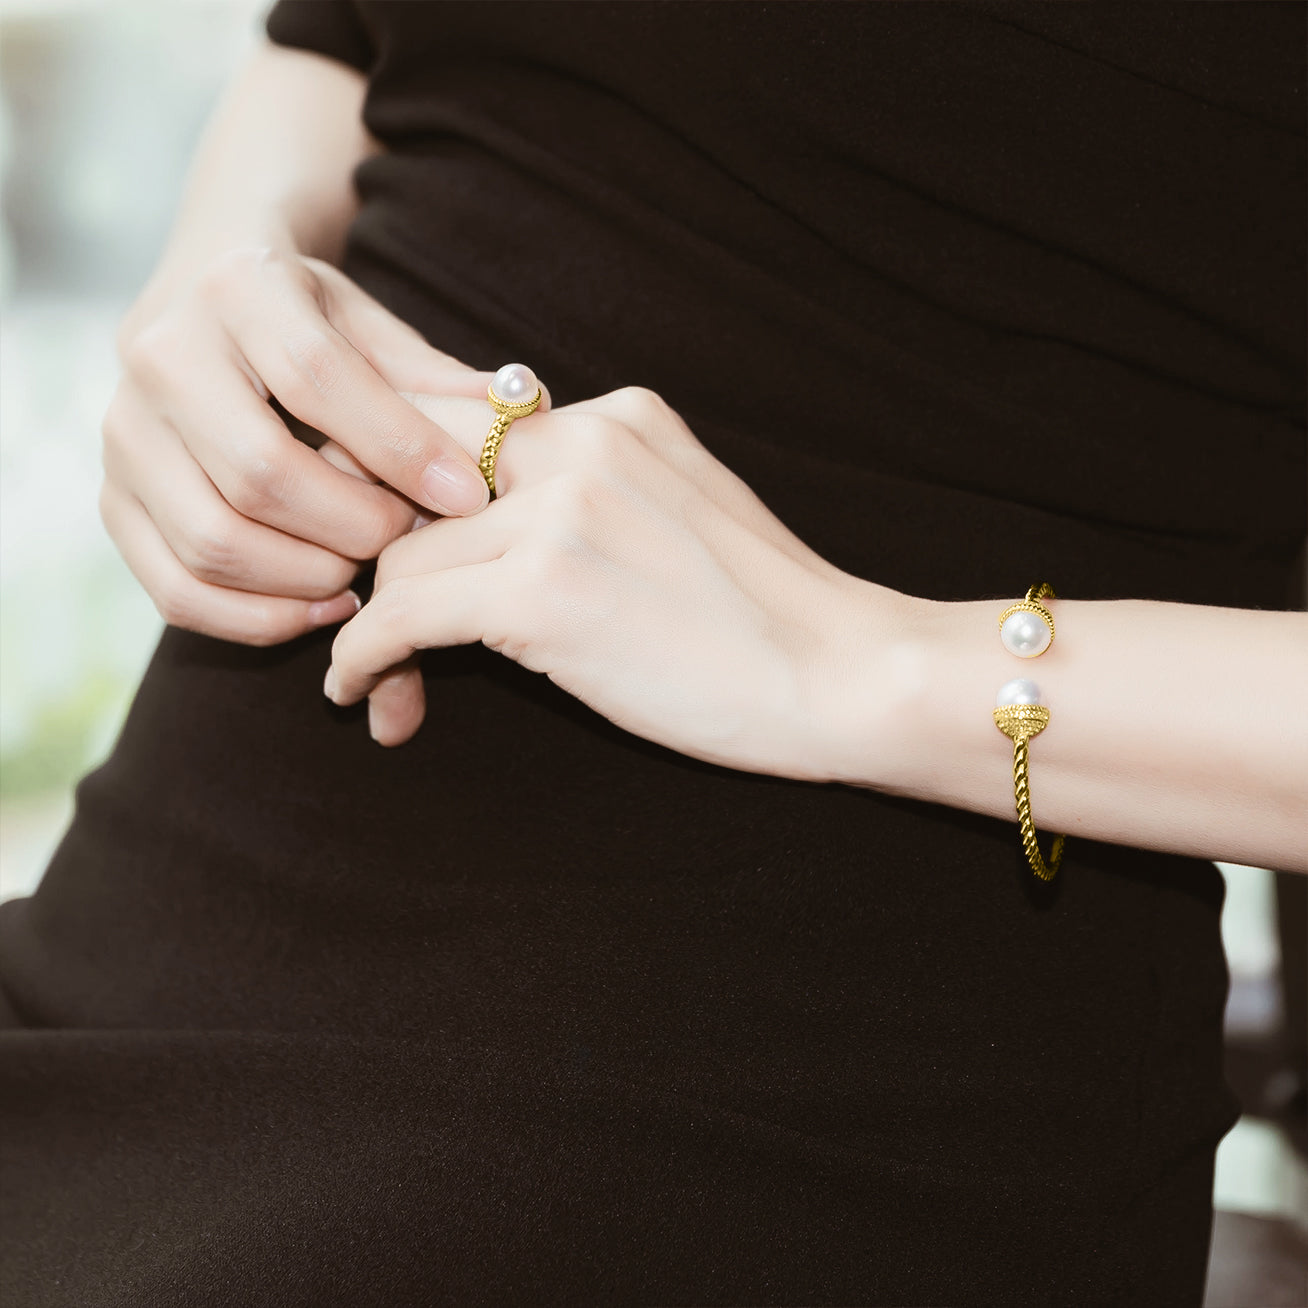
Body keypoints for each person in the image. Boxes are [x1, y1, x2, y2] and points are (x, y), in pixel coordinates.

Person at [1, 3, 1304, 1304]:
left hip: (782, 1075)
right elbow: (339, 43)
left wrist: (855, 661)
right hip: (155, 925)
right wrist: (226, 273)